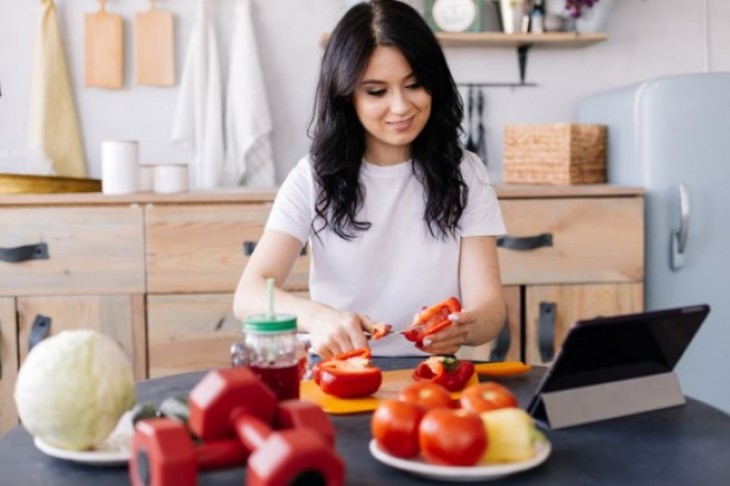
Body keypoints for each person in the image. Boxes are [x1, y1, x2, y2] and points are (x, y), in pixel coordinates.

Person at [233, 0, 506, 359]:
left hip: (434, 374)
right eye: (377, 91)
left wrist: (462, 328)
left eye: (415, 85)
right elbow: (249, 295)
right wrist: (317, 317)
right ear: (347, 96)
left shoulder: (464, 172)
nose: (401, 107)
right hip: (342, 371)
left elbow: (490, 308)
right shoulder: (314, 176)